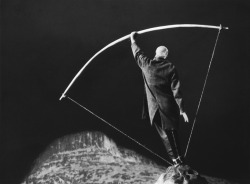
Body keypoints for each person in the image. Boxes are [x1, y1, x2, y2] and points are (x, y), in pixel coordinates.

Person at [130, 32, 189, 166]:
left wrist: (132, 40)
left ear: (156, 53)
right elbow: (176, 90)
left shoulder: (147, 64)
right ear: (166, 55)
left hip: (155, 108)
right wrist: (182, 109)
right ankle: (179, 157)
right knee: (172, 131)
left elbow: (138, 53)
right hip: (169, 107)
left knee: (164, 134)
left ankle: (175, 160)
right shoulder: (171, 67)